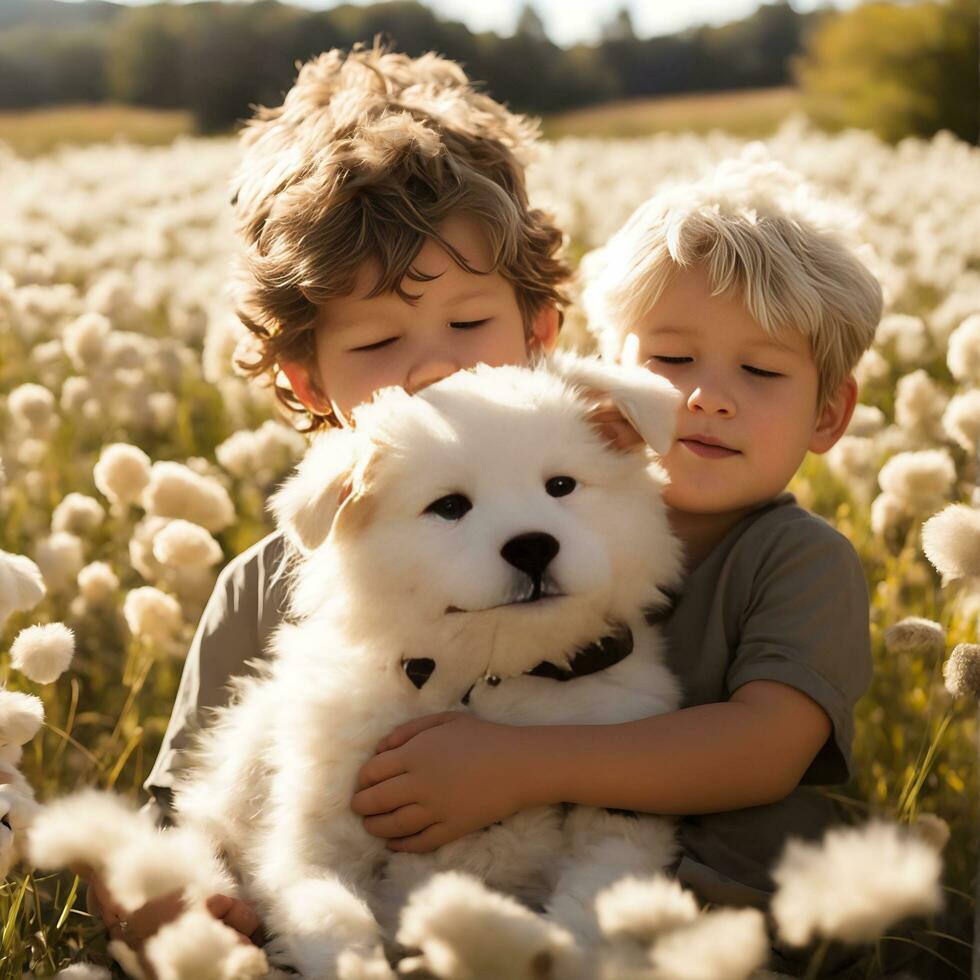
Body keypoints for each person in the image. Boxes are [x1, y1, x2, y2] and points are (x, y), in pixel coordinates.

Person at [347, 157, 899, 977]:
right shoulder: (534, 524)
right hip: (531, 897)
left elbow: (765, 749)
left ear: (830, 413)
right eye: (673, 361)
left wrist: (516, 770)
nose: (709, 397)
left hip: (725, 921)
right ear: (605, 380)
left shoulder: (802, 561)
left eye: (762, 371)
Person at [86, 41, 568, 962]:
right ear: (307, 382)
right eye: (379, 341)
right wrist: (180, 892)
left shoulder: (594, 532)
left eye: (471, 323)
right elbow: (182, 812)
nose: (435, 366)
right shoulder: (265, 582)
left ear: (538, 332)